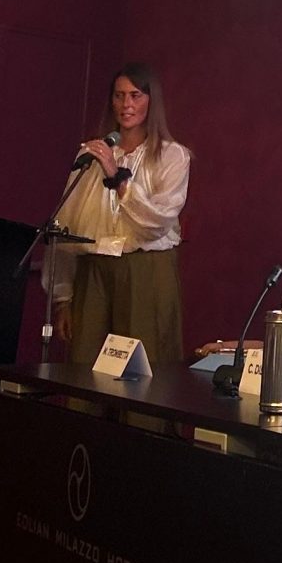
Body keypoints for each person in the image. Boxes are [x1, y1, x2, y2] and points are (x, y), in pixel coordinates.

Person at [52, 62, 192, 369]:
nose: (126, 104)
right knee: (85, 363)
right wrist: (63, 297)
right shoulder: (90, 155)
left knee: (143, 366)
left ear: (151, 101)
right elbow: (65, 227)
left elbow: (157, 222)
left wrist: (118, 178)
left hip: (144, 268)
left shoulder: (172, 156)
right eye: (119, 96)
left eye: (135, 95)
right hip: (93, 268)